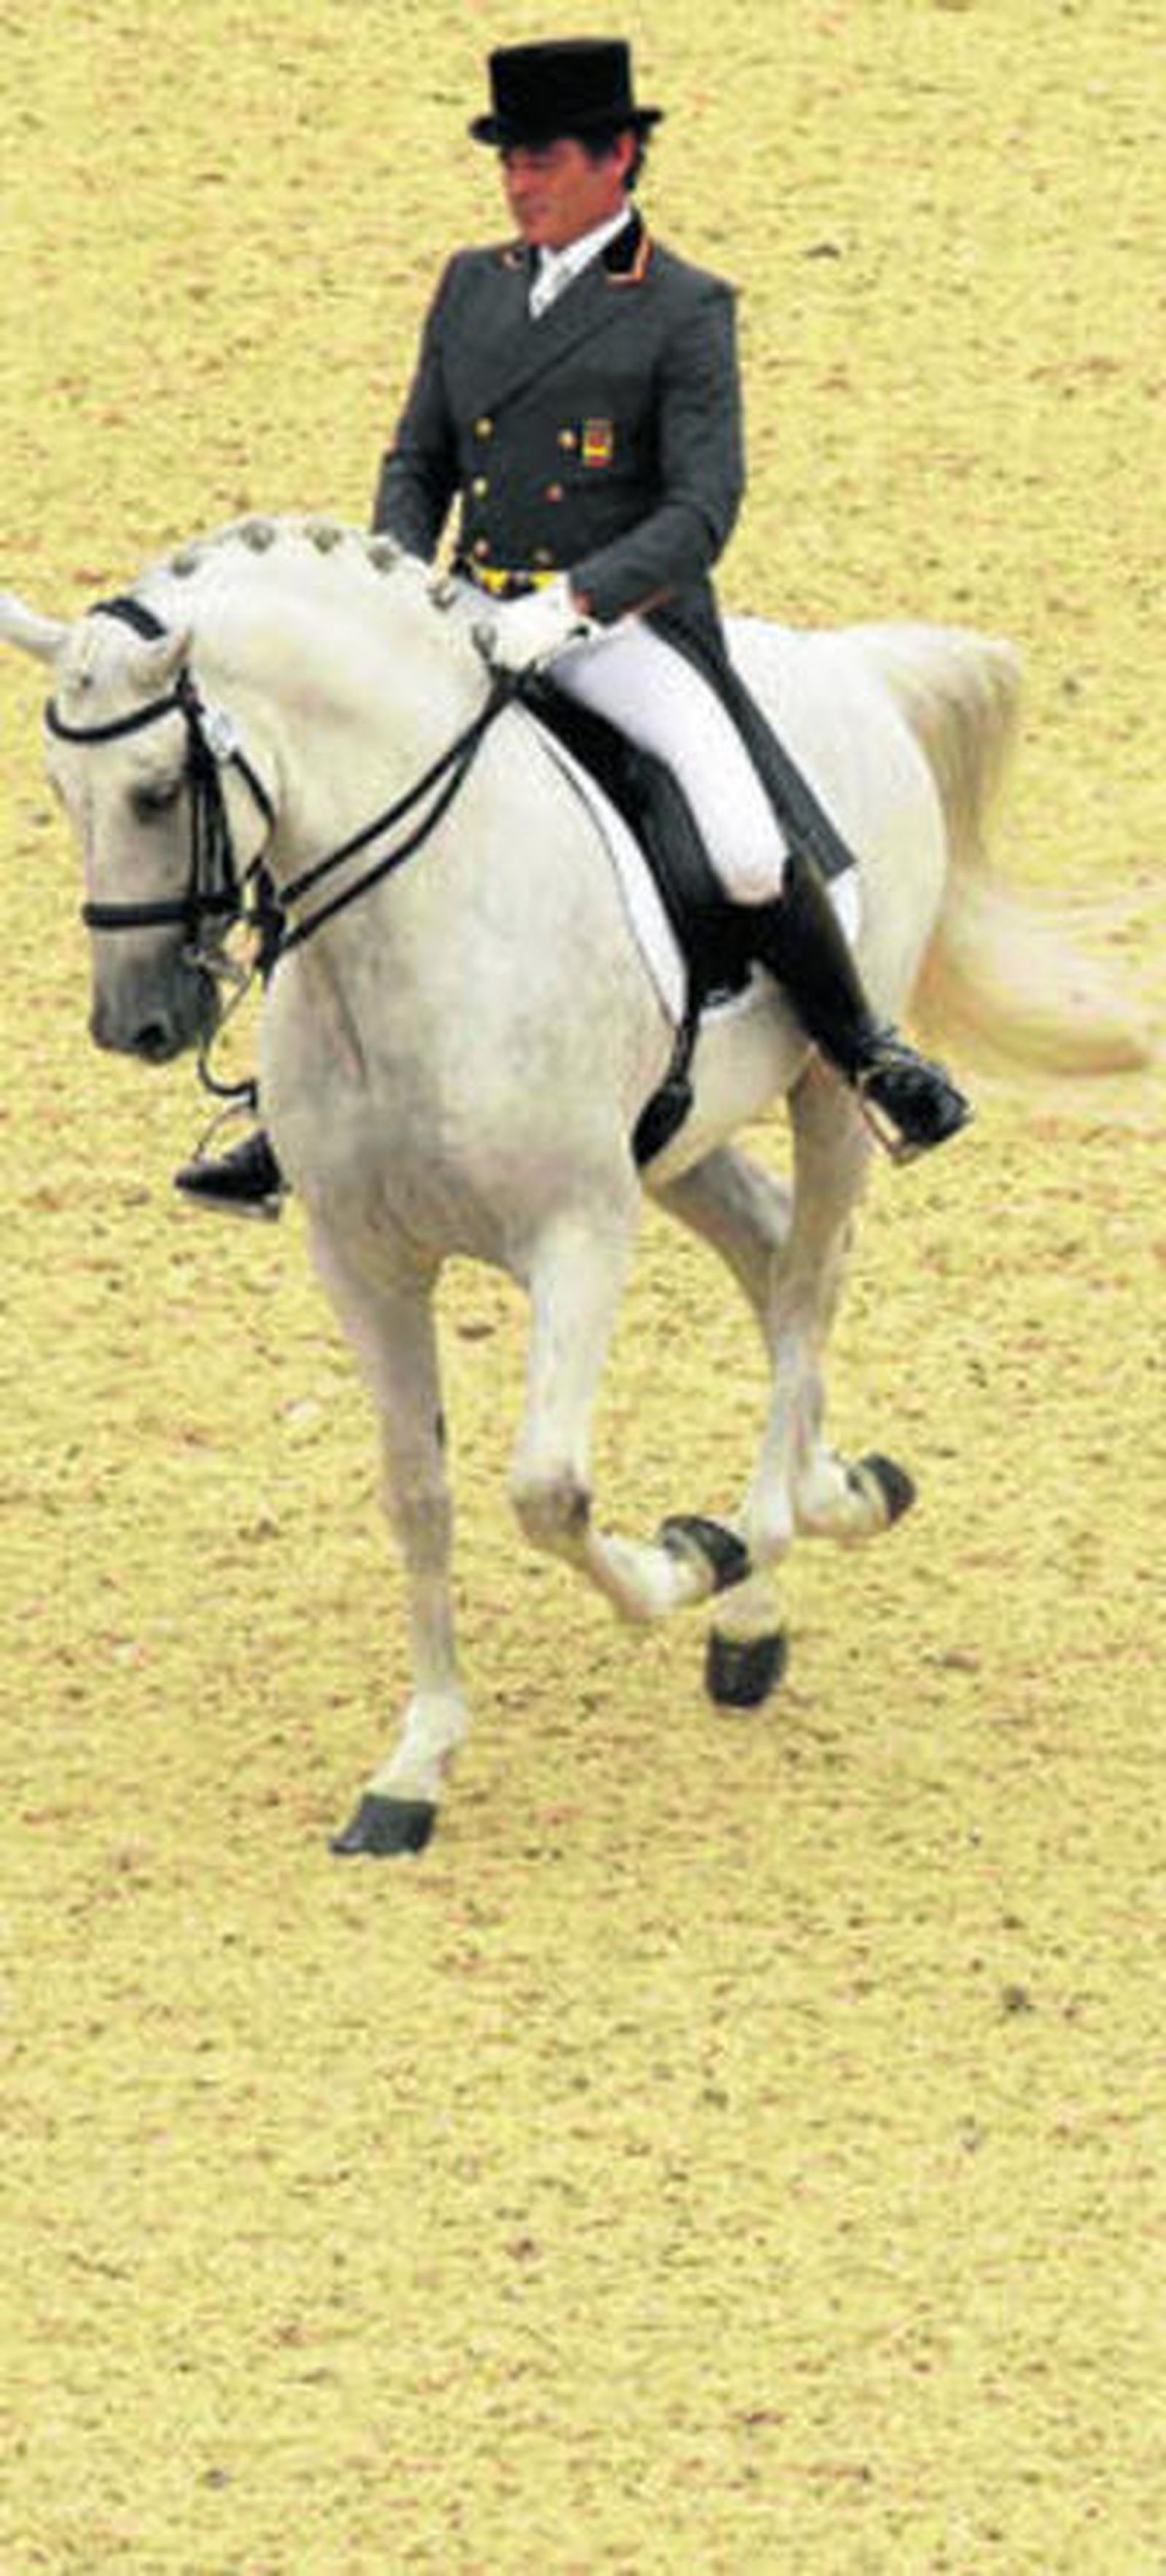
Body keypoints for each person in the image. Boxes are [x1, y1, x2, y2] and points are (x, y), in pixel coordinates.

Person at [176, 36, 969, 1216]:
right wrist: (404, 581)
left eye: (542, 159)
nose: (518, 182)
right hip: (469, 616)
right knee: (337, 808)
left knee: (746, 846)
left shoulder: (685, 307)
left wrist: (574, 602)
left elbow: (703, 508)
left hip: (624, 630)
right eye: (508, 161)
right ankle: (283, 1110)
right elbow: (421, 456)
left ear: (618, 157)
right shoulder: (472, 284)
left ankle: (867, 1047)